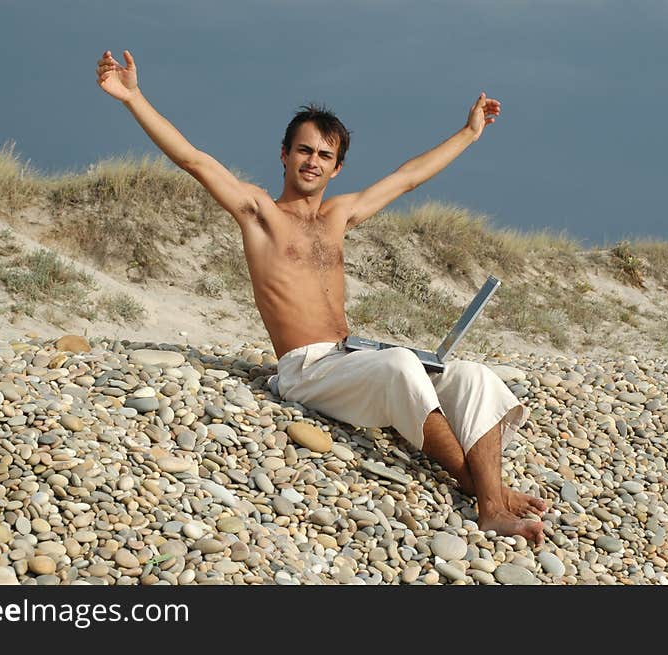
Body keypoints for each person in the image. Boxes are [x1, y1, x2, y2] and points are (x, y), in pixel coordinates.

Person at [96, 49, 547, 545]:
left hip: (351, 356)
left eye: (324, 156)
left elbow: (408, 178)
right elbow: (192, 159)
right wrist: (133, 97)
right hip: (305, 368)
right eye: (305, 150)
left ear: (336, 168)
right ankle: (491, 501)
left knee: (474, 376)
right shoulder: (259, 213)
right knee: (399, 365)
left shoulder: (338, 217)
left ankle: (491, 488)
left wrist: (468, 133)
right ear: (285, 155)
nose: (313, 161)